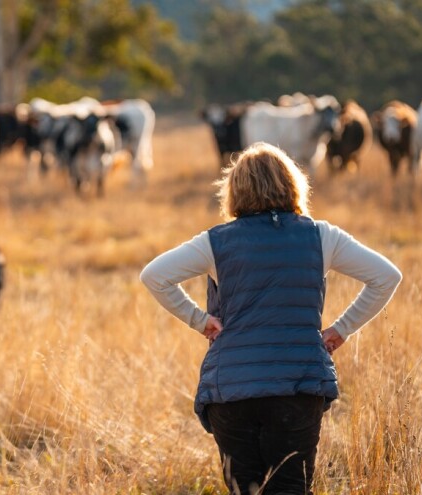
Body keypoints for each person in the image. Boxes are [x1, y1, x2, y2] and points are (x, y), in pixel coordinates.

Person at [139, 142, 402, 495]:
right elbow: (387, 277)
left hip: (231, 390)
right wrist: (342, 330)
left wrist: (199, 320)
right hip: (297, 386)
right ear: (292, 184)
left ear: (235, 191)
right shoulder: (322, 236)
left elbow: (154, 276)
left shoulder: (215, 242)